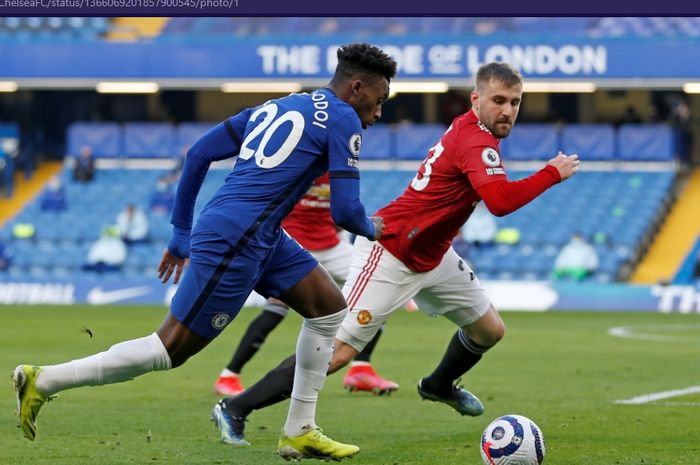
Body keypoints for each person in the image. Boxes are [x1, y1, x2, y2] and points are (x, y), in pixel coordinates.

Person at [12, 42, 396, 462]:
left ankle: (299, 430)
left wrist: (180, 232)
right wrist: (372, 227)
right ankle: (43, 380)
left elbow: (198, 153)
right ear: (357, 87)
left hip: (257, 232)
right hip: (237, 239)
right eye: (378, 102)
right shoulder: (343, 118)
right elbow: (344, 211)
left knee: (327, 310)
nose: (378, 115)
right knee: (168, 349)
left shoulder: (281, 104)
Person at [213, 62, 581, 447]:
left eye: (515, 103)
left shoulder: (475, 130)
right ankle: (235, 407)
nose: (507, 110)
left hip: (433, 254)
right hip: (391, 251)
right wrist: (551, 172)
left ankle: (438, 384)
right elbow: (500, 202)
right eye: (499, 101)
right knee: (337, 353)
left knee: (489, 330)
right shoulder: (476, 140)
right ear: (476, 100)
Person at [213, 172, 398, 400]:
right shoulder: (301, 163)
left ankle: (361, 369)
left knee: (376, 287)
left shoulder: (340, 168)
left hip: (330, 246)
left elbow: (341, 214)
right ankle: (229, 375)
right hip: (295, 247)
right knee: (275, 310)